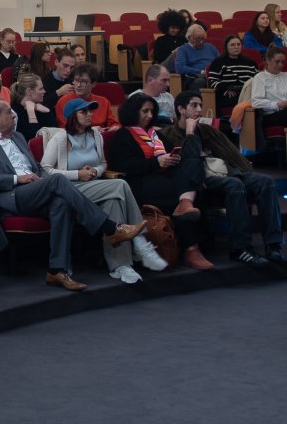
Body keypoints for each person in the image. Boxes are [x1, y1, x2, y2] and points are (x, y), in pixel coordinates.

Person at [0, 98, 145, 291]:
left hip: (35, 188)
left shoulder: (17, 136)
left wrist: (40, 180)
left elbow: (37, 168)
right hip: (11, 194)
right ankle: (110, 228)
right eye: (8, 111)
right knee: (58, 180)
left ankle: (57, 270)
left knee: (61, 201)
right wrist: (18, 178)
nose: (14, 115)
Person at [40, 98, 165, 283]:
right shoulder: (60, 138)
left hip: (96, 186)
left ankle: (121, 266)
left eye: (90, 111)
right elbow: (45, 170)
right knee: (120, 184)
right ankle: (140, 242)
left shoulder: (96, 136)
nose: (89, 115)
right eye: (84, 112)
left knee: (114, 201)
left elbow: (103, 163)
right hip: (70, 189)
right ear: (72, 116)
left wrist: (95, 171)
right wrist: (77, 174)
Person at [160, 91, 286, 265]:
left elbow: (231, 154)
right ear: (181, 109)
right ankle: (240, 247)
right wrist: (190, 133)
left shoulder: (206, 130)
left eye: (201, 105)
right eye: (194, 105)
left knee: (265, 181)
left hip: (225, 171)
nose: (199, 109)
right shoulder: (168, 135)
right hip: (199, 179)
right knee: (234, 185)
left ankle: (273, 245)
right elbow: (188, 162)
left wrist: (245, 171)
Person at [108, 94, 213, 270]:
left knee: (192, 163)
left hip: (165, 175)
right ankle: (191, 248)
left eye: (152, 111)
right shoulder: (122, 135)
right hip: (140, 182)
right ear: (133, 112)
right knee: (185, 191)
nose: (150, 115)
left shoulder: (155, 134)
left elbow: (174, 154)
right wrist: (157, 162)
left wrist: (174, 158)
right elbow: (125, 166)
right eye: (145, 111)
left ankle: (185, 204)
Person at [55, 65, 120, 130]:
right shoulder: (63, 101)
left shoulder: (104, 101)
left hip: (102, 134)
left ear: (93, 84)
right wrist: (91, 130)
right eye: (76, 80)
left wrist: (115, 127)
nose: (78, 85)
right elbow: (64, 128)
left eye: (83, 81)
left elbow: (114, 123)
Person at [207, 34, 258, 111]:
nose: (236, 47)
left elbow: (258, 79)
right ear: (226, 47)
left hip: (248, 93)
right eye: (232, 45)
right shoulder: (218, 62)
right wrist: (225, 89)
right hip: (228, 94)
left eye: (238, 44)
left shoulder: (250, 62)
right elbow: (212, 81)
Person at [249, 44, 287, 128]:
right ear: (268, 60)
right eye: (277, 61)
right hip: (270, 115)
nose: (280, 65)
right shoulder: (260, 77)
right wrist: (278, 104)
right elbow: (256, 102)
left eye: (283, 62)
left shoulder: (285, 76)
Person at [11, 73, 56, 142]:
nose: (44, 91)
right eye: (40, 89)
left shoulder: (42, 107)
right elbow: (33, 140)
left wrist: (48, 111)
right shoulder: (15, 113)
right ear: (29, 91)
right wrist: (31, 112)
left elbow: (54, 132)